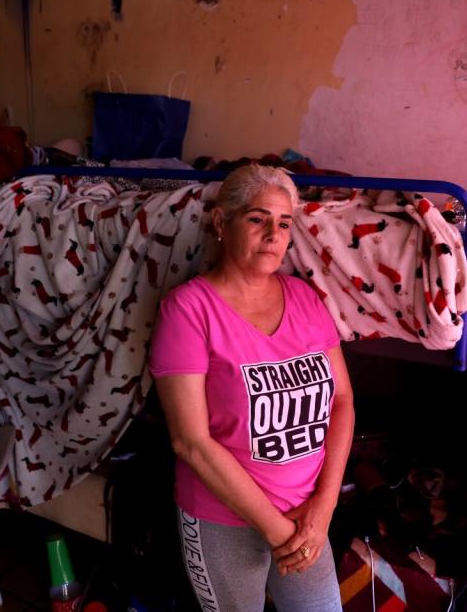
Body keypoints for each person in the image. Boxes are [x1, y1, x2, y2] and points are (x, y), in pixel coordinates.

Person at [149, 165, 355, 611]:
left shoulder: (303, 297)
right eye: (257, 219)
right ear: (222, 224)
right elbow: (191, 443)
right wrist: (282, 534)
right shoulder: (188, 310)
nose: (274, 234)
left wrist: (324, 509)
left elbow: (342, 399)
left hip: (307, 515)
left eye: (284, 223)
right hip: (224, 519)